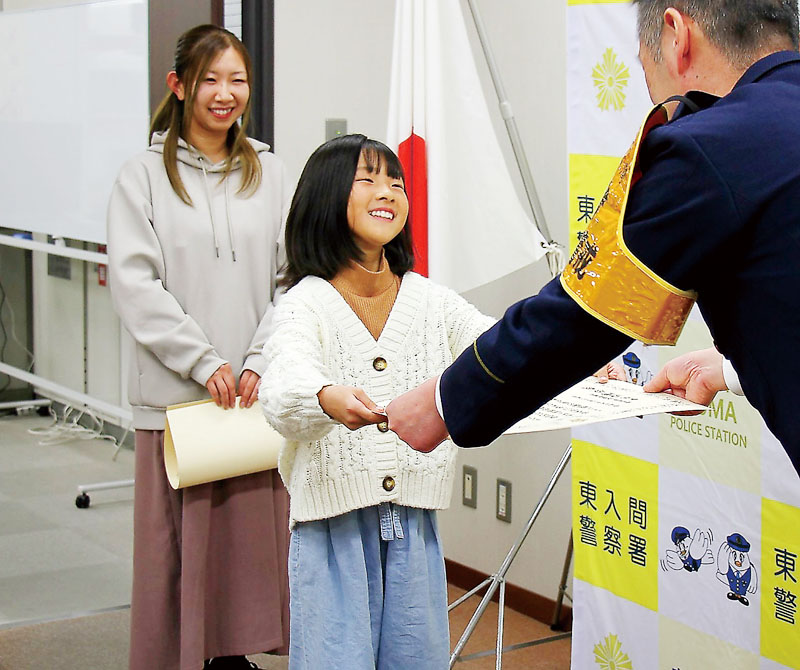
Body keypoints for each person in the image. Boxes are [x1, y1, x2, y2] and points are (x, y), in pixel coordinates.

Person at [386, 0, 800, 477]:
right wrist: (729, 370)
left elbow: (587, 311)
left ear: (675, 35)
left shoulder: (713, 143)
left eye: (647, 74)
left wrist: (443, 401)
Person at [257, 134, 496, 669]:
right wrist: (325, 397)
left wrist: (581, 360)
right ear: (327, 197)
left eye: (395, 182)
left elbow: (499, 346)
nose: (386, 191)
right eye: (367, 179)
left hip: (414, 525)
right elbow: (281, 387)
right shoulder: (306, 303)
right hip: (333, 530)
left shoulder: (430, 300)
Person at [107, 25, 290, 670]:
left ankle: (234, 655)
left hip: (248, 396)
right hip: (178, 399)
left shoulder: (269, 173)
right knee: (177, 546)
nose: (225, 93)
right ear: (179, 86)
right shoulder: (141, 178)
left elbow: (287, 280)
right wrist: (204, 360)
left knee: (246, 546)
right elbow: (136, 286)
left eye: (236, 79)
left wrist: (259, 360)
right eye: (210, 79)